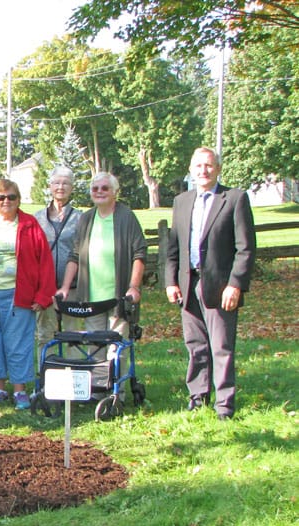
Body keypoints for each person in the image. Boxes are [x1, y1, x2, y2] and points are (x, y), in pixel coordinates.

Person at [165, 147, 256, 420]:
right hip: (187, 283)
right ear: (191, 169)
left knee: (221, 347)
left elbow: (246, 248)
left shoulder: (235, 199)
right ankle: (198, 396)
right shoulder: (182, 201)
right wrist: (171, 281)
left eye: (208, 165)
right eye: (197, 166)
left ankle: (224, 405)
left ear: (217, 169)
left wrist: (235, 284)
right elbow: (173, 247)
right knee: (196, 345)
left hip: (220, 286)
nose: (203, 171)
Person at [0, 179, 56, 410]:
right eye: (1, 197)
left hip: (18, 295)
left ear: (18, 200)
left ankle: (20, 391)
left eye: (11, 197)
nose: (6, 201)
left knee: (18, 344)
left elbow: (45, 262)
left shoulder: (29, 224)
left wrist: (42, 296)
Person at [57, 172, 146, 375]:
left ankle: (117, 395)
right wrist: (64, 287)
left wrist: (134, 286)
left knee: (116, 348)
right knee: (95, 346)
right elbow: (75, 255)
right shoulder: (87, 218)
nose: (99, 192)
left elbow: (139, 253)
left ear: (115, 192)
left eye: (104, 188)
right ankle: (98, 390)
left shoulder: (126, 217)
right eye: (95, 188)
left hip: (119, 296)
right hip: (92, 298)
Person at [33, 166, 82, 345]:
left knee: (73, 335)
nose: (61, 187)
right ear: (50, 186)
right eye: (57, 182)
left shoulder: (80, 218)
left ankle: (74, 370)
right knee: (45, 335)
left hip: (73, 287)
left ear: (72, 188)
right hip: (44, 287)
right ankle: (46, 371)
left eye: (66, 183)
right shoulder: (37, 218)